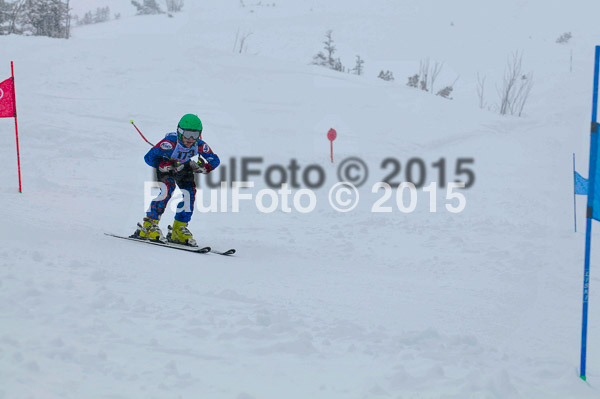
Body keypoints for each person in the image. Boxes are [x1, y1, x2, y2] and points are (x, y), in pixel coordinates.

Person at [135, 114, 220, 246]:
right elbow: (149, 157)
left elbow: (214, 159)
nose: (190, 139)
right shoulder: (169, 143)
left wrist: (203, 167)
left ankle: (178, 229)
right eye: (187, 134)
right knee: (168, 189)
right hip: (167, 166)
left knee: (189, 192)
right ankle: (148, 225)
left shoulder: (199, 144)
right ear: (179, 132)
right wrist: (163, 165)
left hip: (184, 167)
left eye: (195, 134)